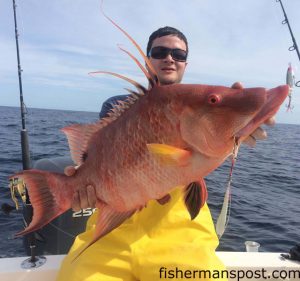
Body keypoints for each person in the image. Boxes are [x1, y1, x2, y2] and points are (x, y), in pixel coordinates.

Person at [55, 27, 274, 281]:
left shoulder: (204, 107)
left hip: (181, 230)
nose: (169, 58)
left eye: (178, 54)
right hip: (117, 225)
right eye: (160, 52)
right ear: (149, 60)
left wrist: (241, 118)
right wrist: (82, 187)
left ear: (185, 64)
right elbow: (107, 162)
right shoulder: (117, 107)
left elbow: (206, 147)